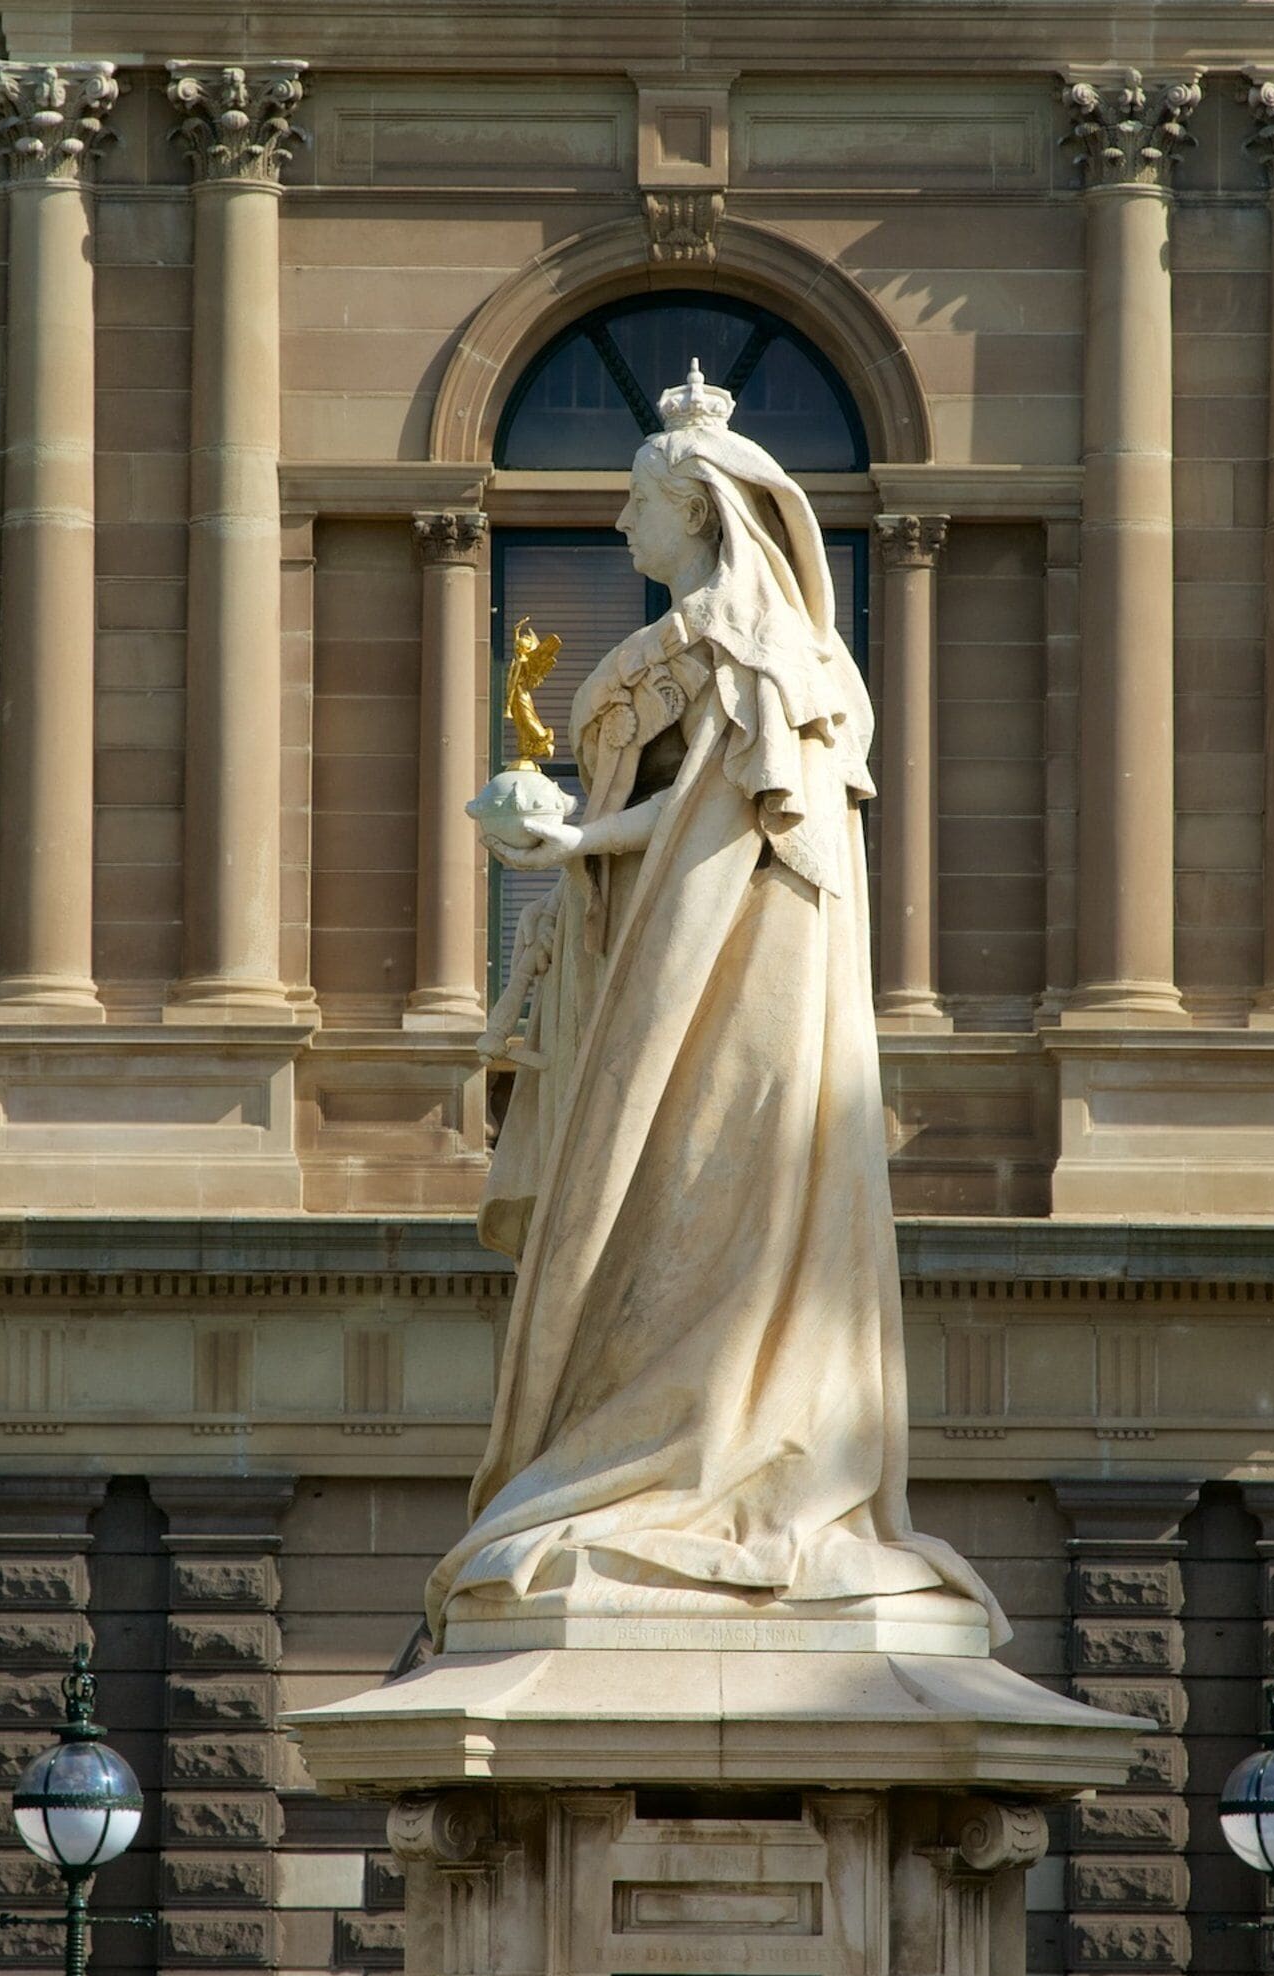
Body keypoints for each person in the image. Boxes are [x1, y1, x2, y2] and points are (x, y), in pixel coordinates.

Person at [428, 365, 1004, 1649]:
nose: (618, 524)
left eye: (636, 503)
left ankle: (721, 1447)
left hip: (741, 979)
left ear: (694, 509)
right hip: (672, 966)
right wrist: (576, 841)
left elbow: (724, 818)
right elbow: (689, 814)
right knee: (656, 1203)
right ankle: (657, 1443)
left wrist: (579, 841)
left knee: (706, 1182)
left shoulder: (760, 647)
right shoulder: (728, 645)